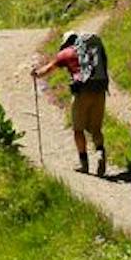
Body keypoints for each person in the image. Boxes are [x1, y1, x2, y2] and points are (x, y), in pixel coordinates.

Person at [30, 30, 109, 176]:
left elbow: (48, 69)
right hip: (99, 91)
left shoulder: (65, 53)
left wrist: (36, 73)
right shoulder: (91, 51)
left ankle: (84, 163)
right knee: (96, 129)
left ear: (66, 42)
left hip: (81, 94)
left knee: (78, 129)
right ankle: (100, 152)